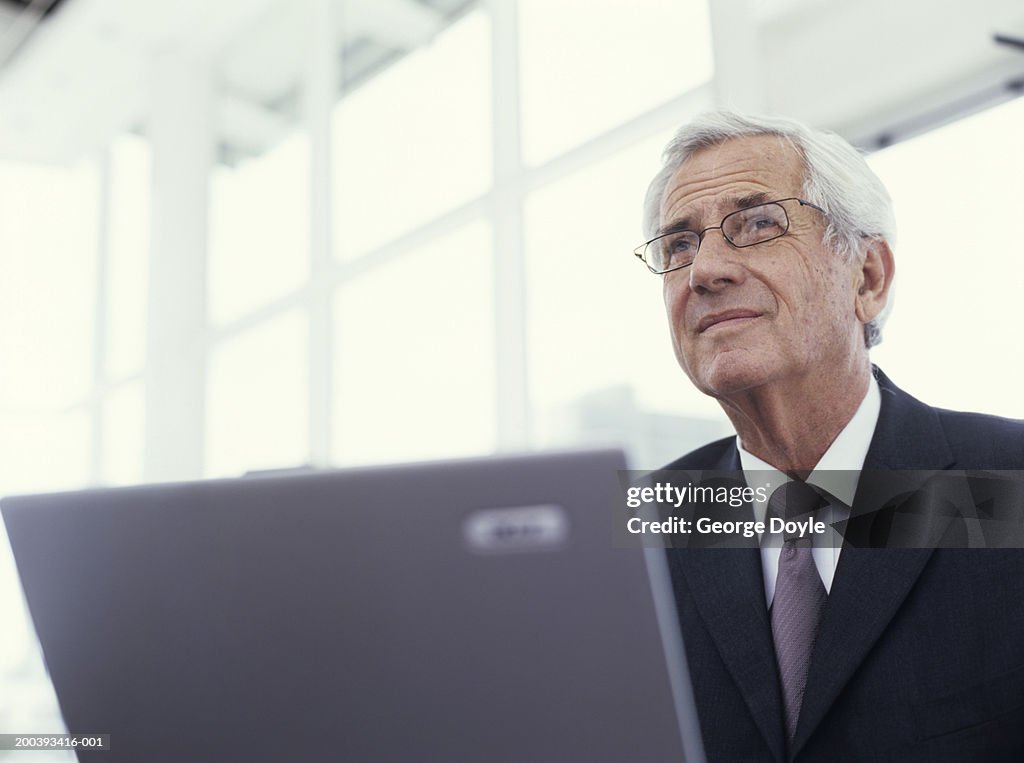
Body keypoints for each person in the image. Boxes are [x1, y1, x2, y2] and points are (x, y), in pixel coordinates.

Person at [636, 111, 1024, 761]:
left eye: (758, 223)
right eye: (678, 244)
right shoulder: (643, 530)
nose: (704, 269)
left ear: (867, 277)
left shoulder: (1008, 482)